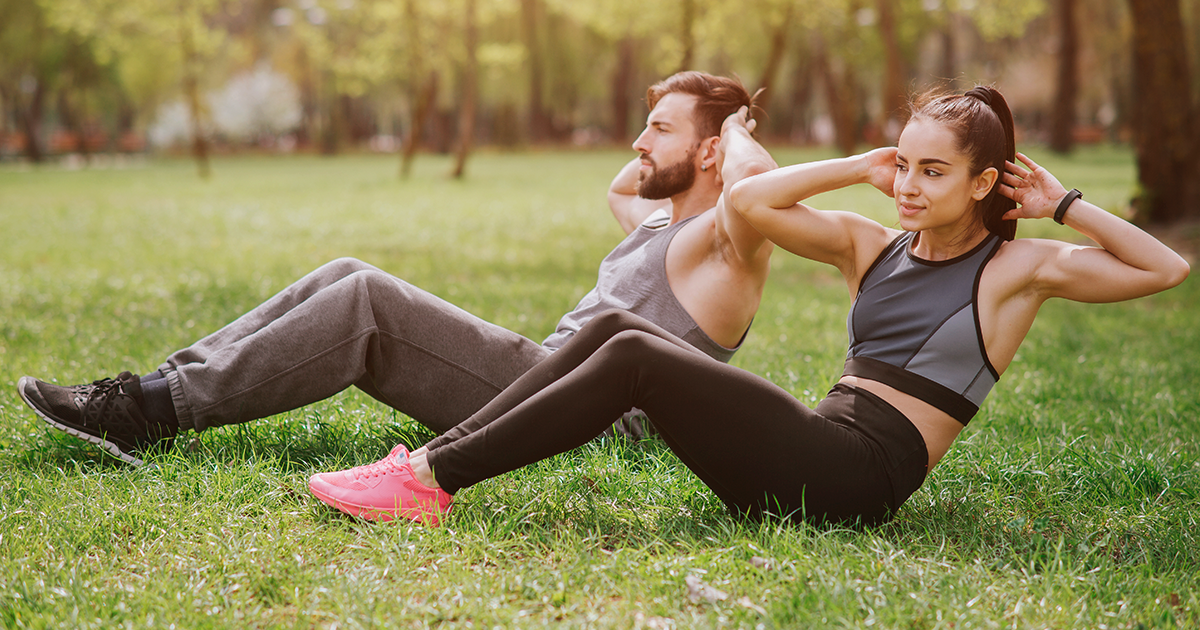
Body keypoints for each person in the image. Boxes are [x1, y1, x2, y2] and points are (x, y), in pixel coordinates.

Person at [307, 86, 1189, 528]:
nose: (910, 189)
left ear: (986, 181)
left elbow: (1165, 268)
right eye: (905, 167)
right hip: (813, 448)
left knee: (634, 356)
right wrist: (860, 165)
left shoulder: (1015, 270)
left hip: (859, 478)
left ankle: (428, 484)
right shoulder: (871, 244)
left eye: (935, 171)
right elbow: (749, 205)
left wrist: (1063, 204)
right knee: (623, 327)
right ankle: (428, 464)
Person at [16, 71, 777, 466]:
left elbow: (754, 182)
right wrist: (673, 128)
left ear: (712, 151)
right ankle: (154, 388)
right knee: (347, 269)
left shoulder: (727, 244)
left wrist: (734, 130)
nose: (640, 140)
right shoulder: (658, 221)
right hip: (546, 375)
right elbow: (622, 183)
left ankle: (148, 413)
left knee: (369, 303)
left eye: (660, 127)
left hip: (591, 418)